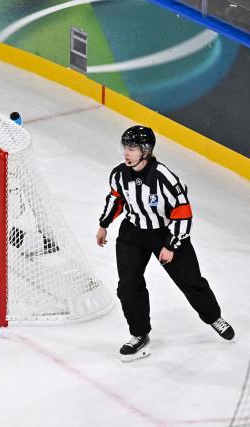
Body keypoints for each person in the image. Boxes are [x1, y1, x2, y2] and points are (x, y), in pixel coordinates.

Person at [96, 125, 235, 361]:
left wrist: (171, 245)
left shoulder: (164, 177)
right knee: (128, 286)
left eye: (132, 148)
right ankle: (139, 334)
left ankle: (213, 317)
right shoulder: (119, 174)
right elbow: (117, 198)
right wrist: (104, 224)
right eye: (125, 147)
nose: (126, 153)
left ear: (146, 151)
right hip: (133, 233)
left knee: (191, 282)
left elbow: (183, 213)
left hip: (165, 233)